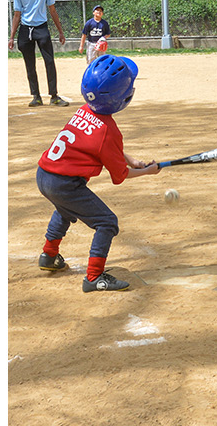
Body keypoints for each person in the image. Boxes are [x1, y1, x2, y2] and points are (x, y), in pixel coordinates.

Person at [34, 55, 161, 292]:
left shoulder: (85, 110)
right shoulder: (109, 131)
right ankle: (93, 277)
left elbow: (101, 145)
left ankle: (49, 256)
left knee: (65, 209)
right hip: (64, 183)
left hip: (44, 175)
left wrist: (131, 159)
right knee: (107, 222)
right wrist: (146, 172)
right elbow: (120, 176)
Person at [12, 0, 69, 107]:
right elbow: (17, 15)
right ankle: (36, 96)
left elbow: (52, 11)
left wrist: (60, 32)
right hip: (26, 30)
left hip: (41, 28)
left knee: (49, 61)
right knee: (30, 65)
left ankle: (54, 96)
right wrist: (12, 37)